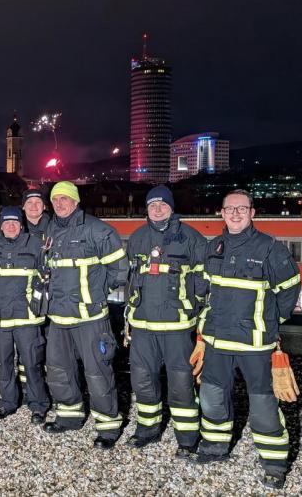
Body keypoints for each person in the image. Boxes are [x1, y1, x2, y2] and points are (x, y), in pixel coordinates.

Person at [192, 189, 302, 490]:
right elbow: (203, 290)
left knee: (264, 405)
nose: (235, 213)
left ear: (252, 213)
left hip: (255, 344)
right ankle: (215, 447)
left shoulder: (270, 248)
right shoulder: (213, 247)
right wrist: (203, 328)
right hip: (217, 341)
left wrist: (271, 323)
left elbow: (290, 288)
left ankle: (274, 464)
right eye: (230, 209)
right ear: (222, 213)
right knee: (212, 398)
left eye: (242, 208)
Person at [40, 180, 128, 450]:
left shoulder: (98, 230)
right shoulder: (50, 230)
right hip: (58, 318)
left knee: (98, 372)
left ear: (76, 201)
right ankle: (69, 416)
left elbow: (120, 270)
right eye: (55, 199)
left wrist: (97, 293)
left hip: (90, 318)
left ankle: (108, 426)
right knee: (59, 370)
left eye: (64, 199)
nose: (59, 203)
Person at [123, 185, 207, 457]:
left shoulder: (191, 238)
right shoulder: (137, 237)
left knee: (181, 384)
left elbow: (203, 282)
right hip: (143, 326)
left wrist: (198, 315)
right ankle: (147, 430)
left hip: (177, 327)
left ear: (172, 207)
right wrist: (129, 317)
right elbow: (130, 280)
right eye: (152, 205)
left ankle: (187, 438)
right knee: (142, 381)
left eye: (162, 205)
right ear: (146, 209)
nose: (157, 209)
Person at [0, 206, 51, 424]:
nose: (11, 226)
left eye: (15, 222)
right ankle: (7, 402)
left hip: (27, 317)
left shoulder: (36, 245)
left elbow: (46, 278)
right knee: (4, 362)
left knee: (32, 363)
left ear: (21, 225)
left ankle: (38, 405)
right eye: (6, 222)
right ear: (1, 225)